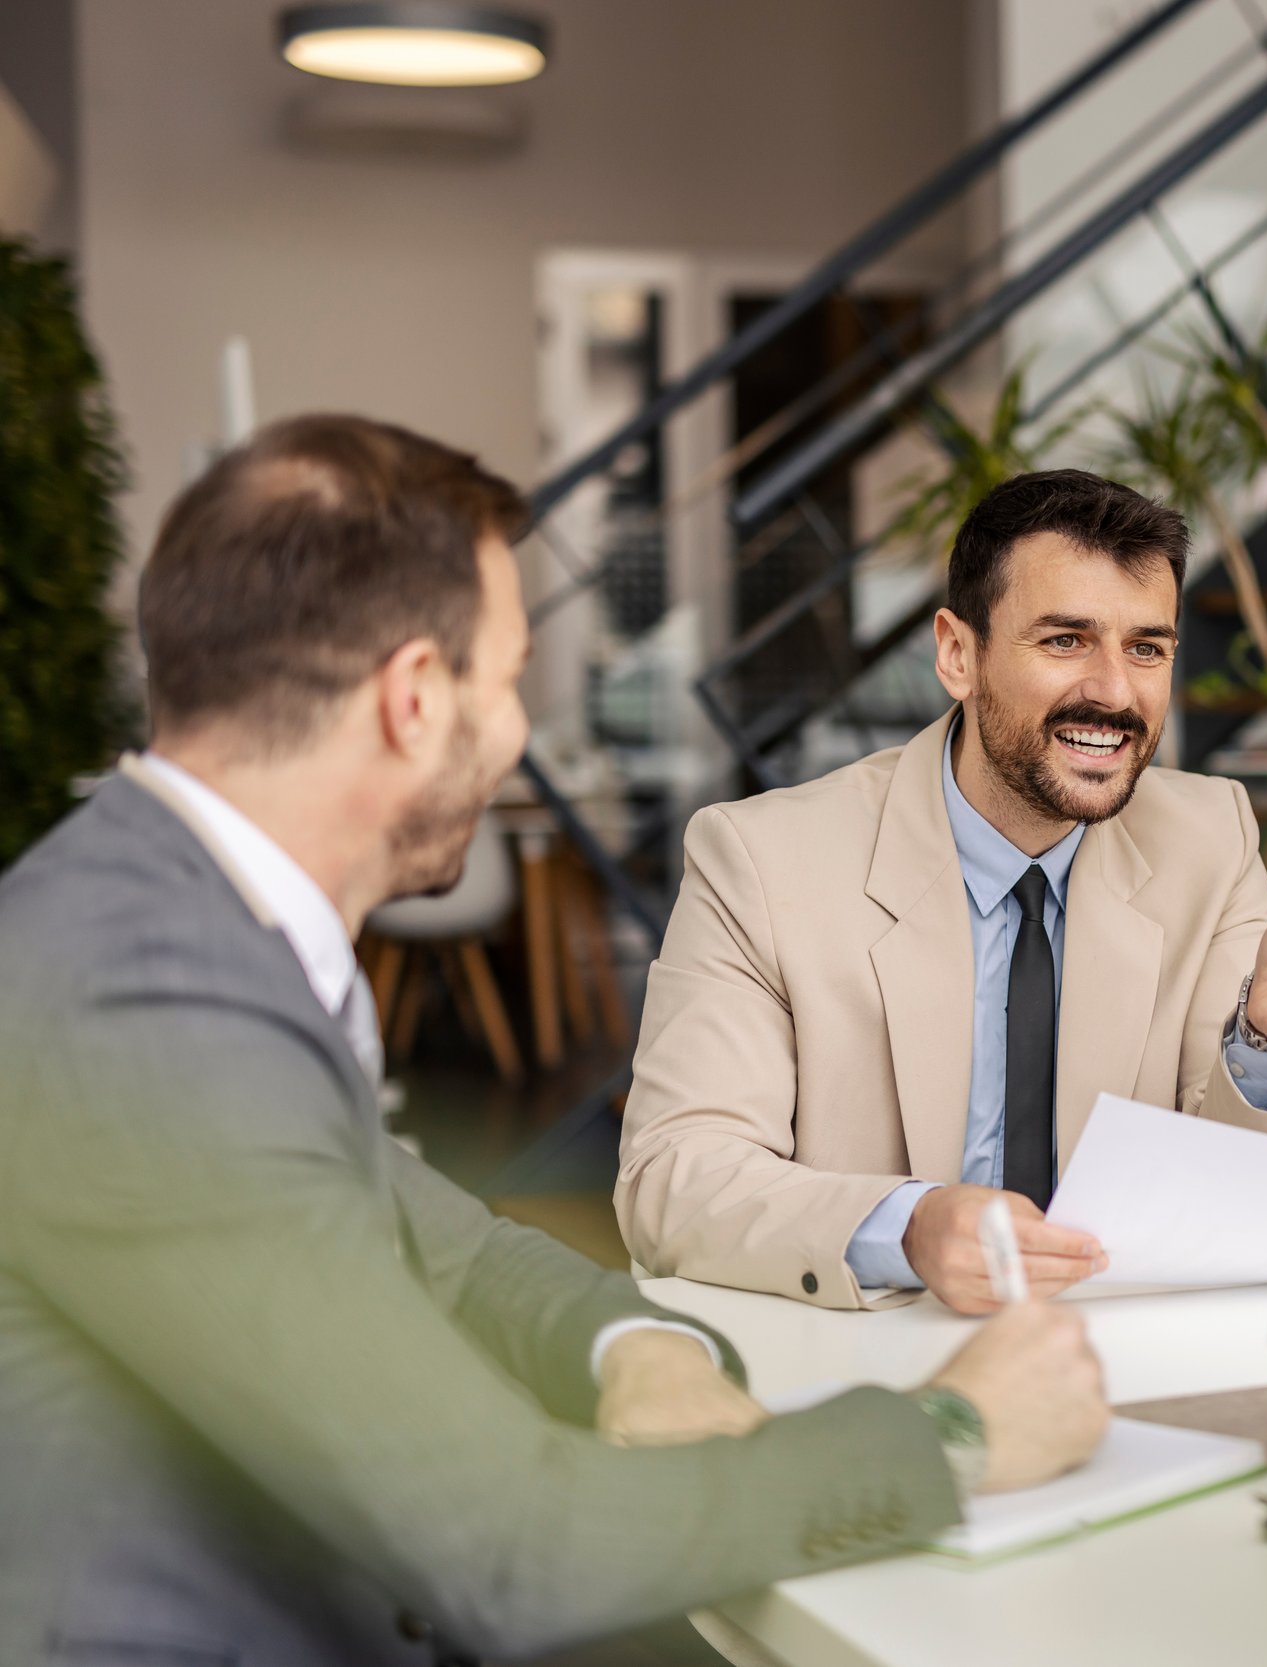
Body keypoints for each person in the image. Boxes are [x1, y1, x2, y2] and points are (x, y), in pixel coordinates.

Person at [0, 416, 1109, 1667]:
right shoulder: (146, 1005)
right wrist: (954, 1430)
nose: (517, 730)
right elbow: (510, 1546)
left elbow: (451, 1251)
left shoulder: (168, 920)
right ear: (416, 698)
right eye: (507, 678)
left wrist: (631, 1344)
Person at [617, 469, 1267, 1313]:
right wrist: (910, 1228)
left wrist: (1261, 1041)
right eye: (1065, 640)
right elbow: (674, 1177)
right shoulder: (762, 860)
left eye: (1146, 647)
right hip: (872, 1373)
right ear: (958, 654)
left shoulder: (1211, 839)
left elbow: (1237, 1200)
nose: (1115, 691)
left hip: (1124, 1359)